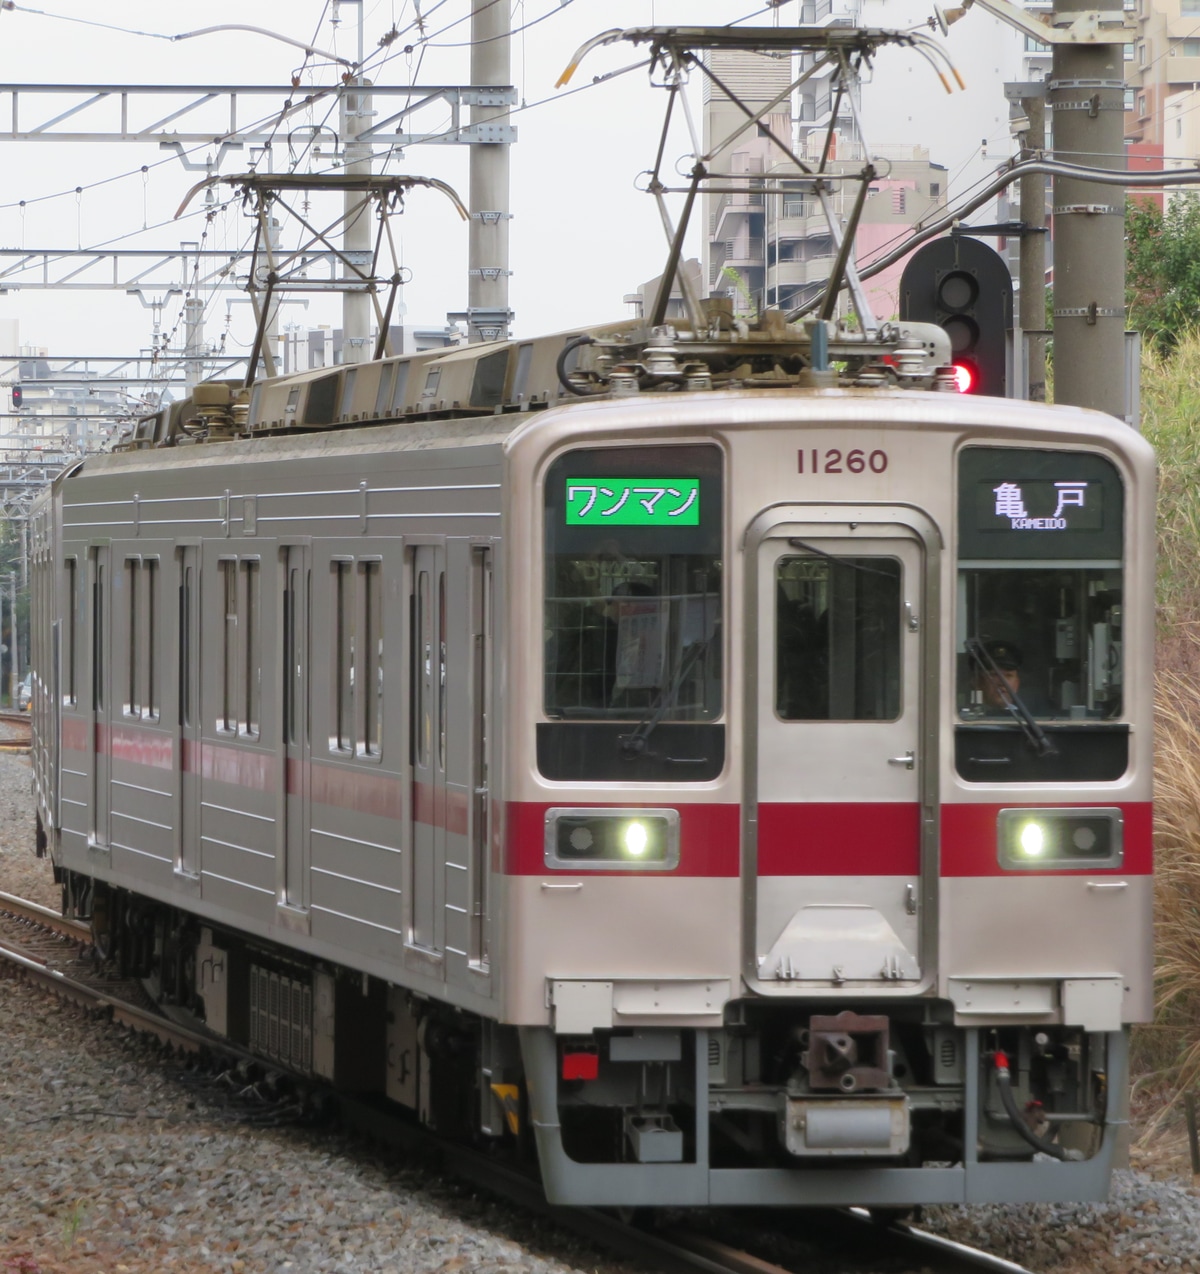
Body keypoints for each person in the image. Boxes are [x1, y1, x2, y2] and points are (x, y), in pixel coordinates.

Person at [971, 639, 1024, 714]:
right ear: (978, 682)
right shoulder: (966, 718)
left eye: (1008, 675)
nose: (1002, 682)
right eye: (994, 675)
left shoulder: (1031, 719)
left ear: (1017, 684)